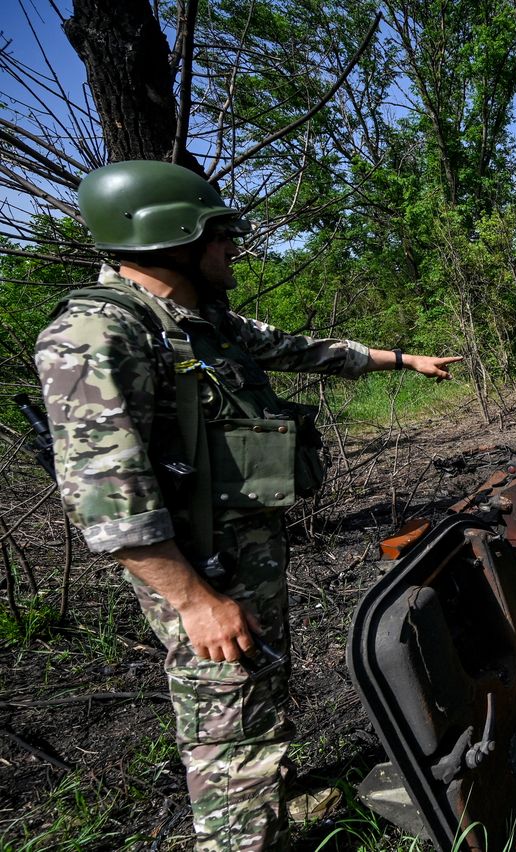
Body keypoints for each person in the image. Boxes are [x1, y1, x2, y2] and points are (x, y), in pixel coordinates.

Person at [34, 160, 462, 851]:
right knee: (224, 716)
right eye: (220, 232)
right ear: (170, 237)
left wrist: (401, 360)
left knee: (258, 689)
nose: (233, 246)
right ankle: (238, 836)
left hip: (243, 553)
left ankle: (273, 800)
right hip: (196, 568)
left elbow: (299, 349)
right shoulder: (96, 337)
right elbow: (110, 504)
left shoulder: (200, 322)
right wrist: (196, 601)